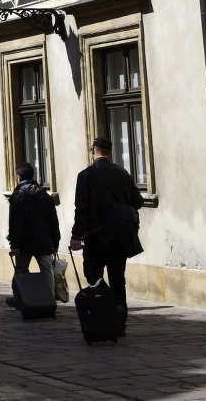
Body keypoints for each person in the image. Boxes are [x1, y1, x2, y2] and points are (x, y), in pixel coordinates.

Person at [70, 136, 144, 332]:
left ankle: (101, 319)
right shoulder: (123, 173)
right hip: (120, 236)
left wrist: (76, 236)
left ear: (93, 150)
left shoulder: (86, 175)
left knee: (95, 279)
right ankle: (119, 323)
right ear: (110, 152)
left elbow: (81, 208)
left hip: (96, 236)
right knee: (118, 280)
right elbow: (138, 202)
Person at [6, 161, 59, 307]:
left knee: (22, 269)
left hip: (25, 242)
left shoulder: (17, 196)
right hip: (44, 240)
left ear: (18, 177)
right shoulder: (45, 196)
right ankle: (50, 300)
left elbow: (15, 224)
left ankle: (21, 298)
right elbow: (53, 222)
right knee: (47, 269)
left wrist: (14, 245)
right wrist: (55, 242)